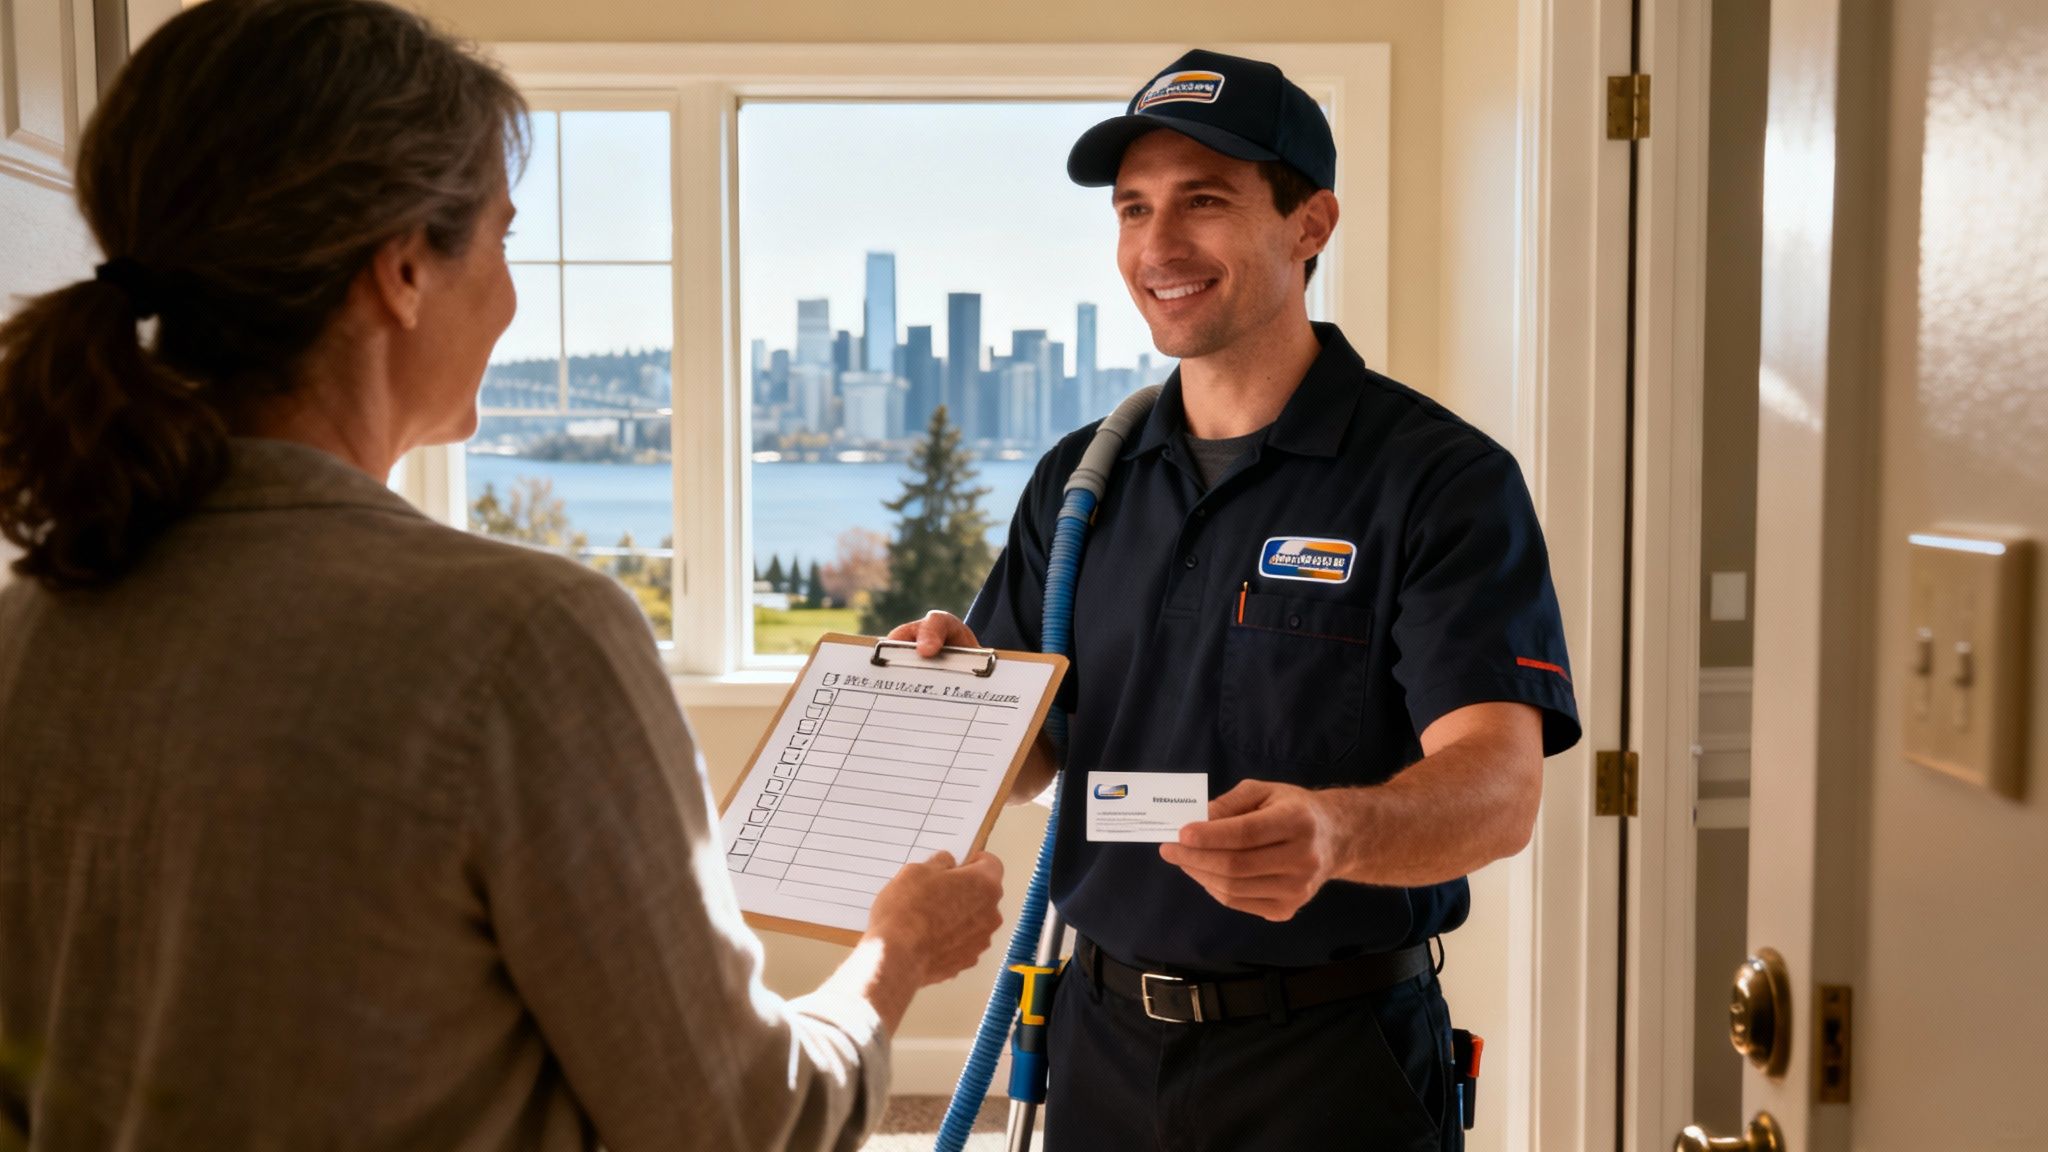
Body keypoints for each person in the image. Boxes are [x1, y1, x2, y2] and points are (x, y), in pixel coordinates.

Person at [0, 2, 1002, 1149]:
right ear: (404, 269)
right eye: (505, 237)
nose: (514, 296)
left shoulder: (31, 626)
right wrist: (896, 954)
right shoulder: (522, 637)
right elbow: (737, 1124)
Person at [891, 50, 1582, 1151]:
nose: (1157, 246)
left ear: (1310, 223)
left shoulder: (1438, 481)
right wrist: (951, 688)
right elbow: (1027, 762)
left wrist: (1334, 831)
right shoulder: (1081, 480)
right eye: (1133, 209)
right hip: (1099, 1042)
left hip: (1329, 1060)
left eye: (1202, 202)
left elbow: (1497, 792)